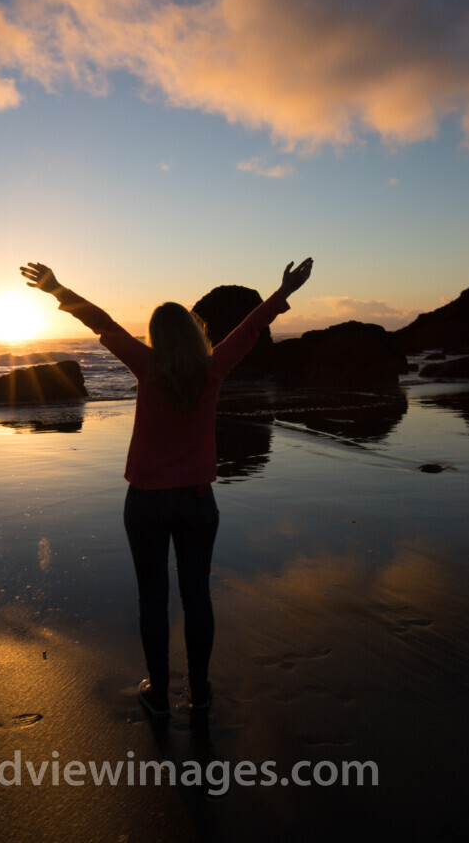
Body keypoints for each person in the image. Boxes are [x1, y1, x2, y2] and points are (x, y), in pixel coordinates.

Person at [20, 258, 314, 719]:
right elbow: (252, 327)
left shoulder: (147, 365)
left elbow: (101, 322)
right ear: (195, 335)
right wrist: (283, 291)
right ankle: (198, 692)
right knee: (197, 597)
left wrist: (57, 288)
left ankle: (159, 693)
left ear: (157, 336)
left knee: (152, 598)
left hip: (146, 503)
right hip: (198, 501)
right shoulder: (213, 369)